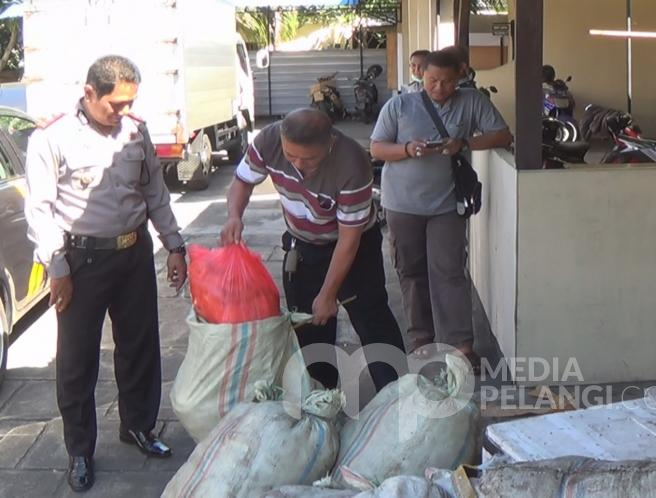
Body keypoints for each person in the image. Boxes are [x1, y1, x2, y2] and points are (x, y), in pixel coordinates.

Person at [24, 55, 186, 492]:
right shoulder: (52, 138)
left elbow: (155, 190)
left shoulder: (136, 130)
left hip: (133, 256)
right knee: (77, 361)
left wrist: (175, 245)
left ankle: (138, 426)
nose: (122, 112)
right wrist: (57, 268)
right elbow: (40, 210)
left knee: (139, 346)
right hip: (81, 263)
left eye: (129, 103)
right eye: (115, 104)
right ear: (89, 92)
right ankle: (79, 449)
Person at [222, 108, 406, 391]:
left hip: (354, 248)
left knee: (372, 320)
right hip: (303, 245)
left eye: (308, 159)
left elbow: (349, 239)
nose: (298, 164)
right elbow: (243, 181)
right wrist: (234, 215)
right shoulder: (268, 141)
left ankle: (398, 398)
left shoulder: (352, 163)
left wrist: (328, 293)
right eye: (290, 155)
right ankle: (322, 401)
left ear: (329, 142)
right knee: (309, 329)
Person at [370, 49, 512, 370]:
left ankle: (462, 345)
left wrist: (463, 144)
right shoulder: (400, 105)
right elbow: (377, 147)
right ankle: (421, 341)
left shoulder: (472, 101)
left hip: (446, 203)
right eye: (433, 80)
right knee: (411, 273)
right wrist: (407, 149)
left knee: (449, 272)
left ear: (459, 78)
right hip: (402, 204)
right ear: (421, 75)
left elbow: (503, 134)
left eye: (447, 82)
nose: (439, 88)